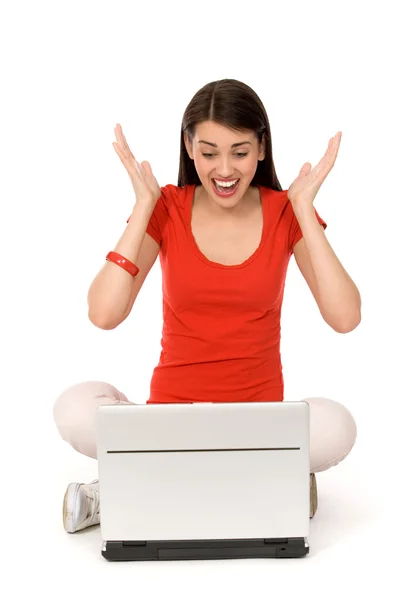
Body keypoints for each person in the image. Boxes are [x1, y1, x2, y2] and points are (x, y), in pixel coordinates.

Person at [53, 79, 360, 533]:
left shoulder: (283, 211)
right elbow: (104, 313)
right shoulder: (168, 207)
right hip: (168, 422)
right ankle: (267, 480)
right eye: (210, 151)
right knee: (73, 407)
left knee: (337, 425)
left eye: (239, 151)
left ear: (261, 148)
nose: (224, 169)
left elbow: (345, 317)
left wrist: (302, 208)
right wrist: (143, 207)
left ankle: (130, 484)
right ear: (189, 146)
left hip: (257, 424)